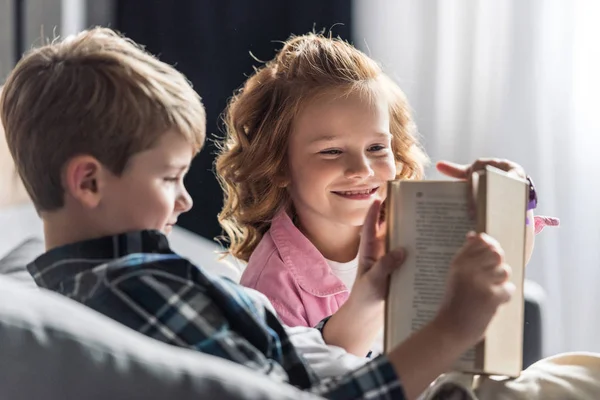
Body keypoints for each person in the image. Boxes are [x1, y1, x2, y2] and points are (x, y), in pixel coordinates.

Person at [2, 27, 516, 399]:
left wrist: (368, 292)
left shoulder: (107, 277)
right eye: (167, 179)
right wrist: (453, 327)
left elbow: (296, 358)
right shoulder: (136, 290)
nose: (185, 202)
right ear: (88, 181)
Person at [216, 33, 554, 355]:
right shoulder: (270, 290)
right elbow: (309, 382)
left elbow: (502, 269)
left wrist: (514, 198)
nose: (361, 169)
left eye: (377, 147)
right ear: (279, 164)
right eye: (332, 151)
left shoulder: (412, 220)